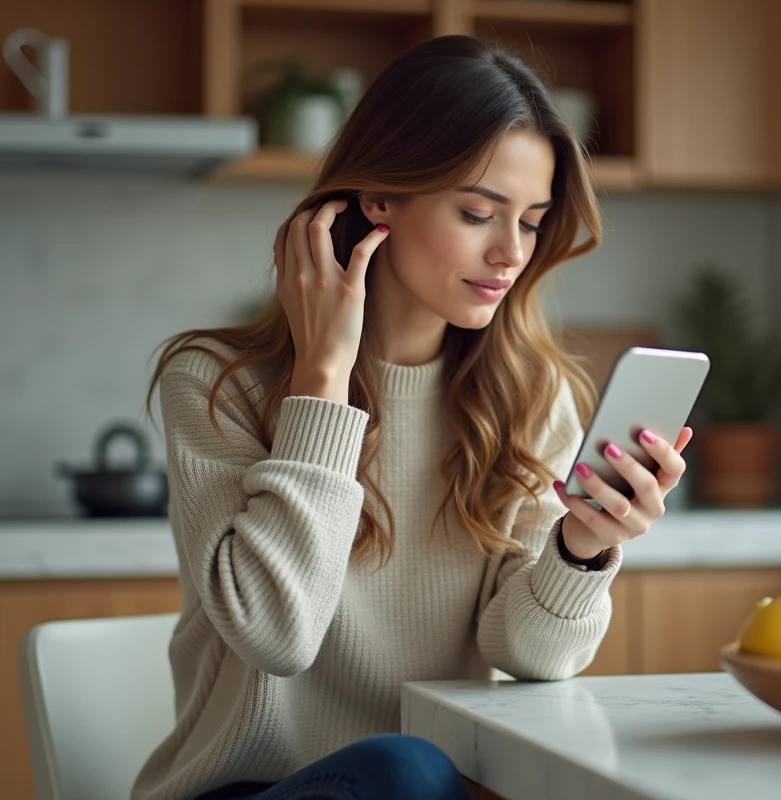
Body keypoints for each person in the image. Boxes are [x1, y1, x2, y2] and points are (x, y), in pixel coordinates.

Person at [132, 34, 691, 800]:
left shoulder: (529, 396)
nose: (509, 253)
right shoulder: (215, 382)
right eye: (477, 212)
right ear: (380, 198)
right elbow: (275, 636)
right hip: (251, 789)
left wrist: (582, 547)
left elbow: (527, 655)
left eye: (530, 222)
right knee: (407, 767)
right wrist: (321, 380)